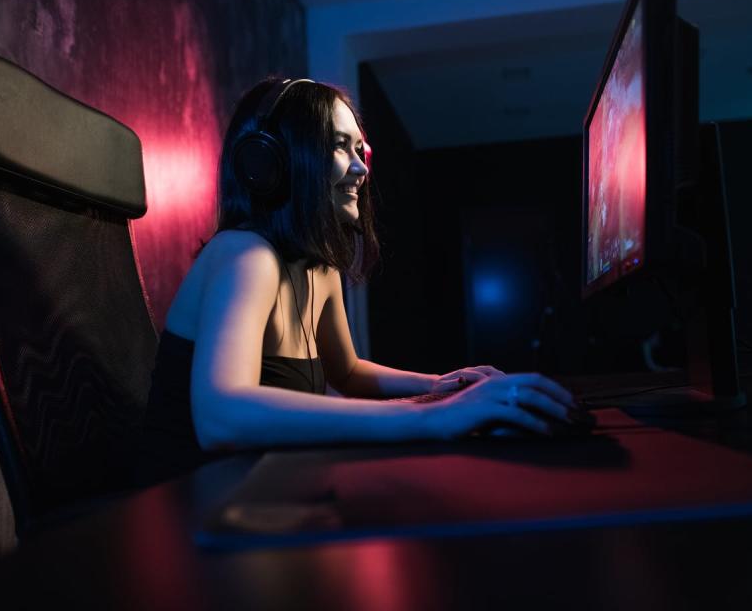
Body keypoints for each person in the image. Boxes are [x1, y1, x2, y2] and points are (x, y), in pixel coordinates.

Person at [135, 77, 579, 485]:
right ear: (273, 160)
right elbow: (221, 418)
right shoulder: (245, 253)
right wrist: (431, 419)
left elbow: (346, 371)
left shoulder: (318, 267)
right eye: (340, 147)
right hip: (181, 499)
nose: (361, 171)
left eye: (361, 151)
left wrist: (437, 385)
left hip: (251, 488)